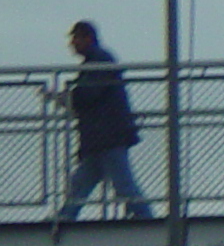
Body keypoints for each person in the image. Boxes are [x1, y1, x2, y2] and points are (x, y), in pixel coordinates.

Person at [55, 20, 155, 221]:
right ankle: (65, 217)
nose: (72, 44)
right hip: (102, 135)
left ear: (87, 38)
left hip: (106, 135)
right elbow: (89, 93)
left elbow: (89, 94)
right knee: (82, 182)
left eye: (75, 38)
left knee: (122, 184)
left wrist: (68, 98)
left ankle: (148, 221)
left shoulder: (99, 61)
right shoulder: (98, 60)